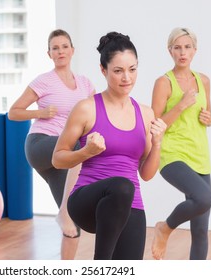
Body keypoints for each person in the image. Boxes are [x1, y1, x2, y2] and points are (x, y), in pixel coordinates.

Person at [52, 32, 167, 260]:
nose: (127, 78)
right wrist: (86, 152)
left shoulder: (145, 113)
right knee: (122, 186)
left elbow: (146, 174)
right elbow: (57, 158)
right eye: (118, 71)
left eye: (132, 69)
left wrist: (157, 144)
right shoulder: (87, 108)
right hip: (86, 201)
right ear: (103, 70)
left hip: (130, 202)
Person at [8, 29, 95, 260]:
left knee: (71, 222)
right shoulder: (43, 81)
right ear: (49, 54)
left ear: (72, 50)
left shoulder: (86, 85)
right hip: (40, 145)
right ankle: (65, 213)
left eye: (64, 46)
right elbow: (13, 113)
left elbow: (96, 117)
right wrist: (41, 112)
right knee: (78, 149)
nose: (60, 51)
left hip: (63, 158)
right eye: (55, 48)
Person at [151, 27, 211, 260]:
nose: (182, 52)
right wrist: (180, 105)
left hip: (200, 155)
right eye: (177, 47)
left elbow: (209, 115)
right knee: (205, 198)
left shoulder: (204, 81)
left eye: (187, 47)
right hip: (172, 154)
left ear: (195, 50)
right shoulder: (163, 83)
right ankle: (165, 228)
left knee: (200, 230)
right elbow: (155, 124)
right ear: (170, 51)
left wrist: (209, 118)